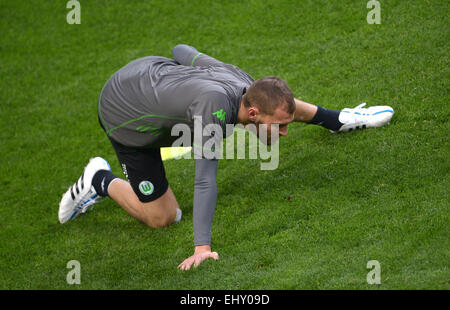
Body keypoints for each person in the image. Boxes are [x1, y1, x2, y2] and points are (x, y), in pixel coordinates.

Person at [58, 44, 394, 270]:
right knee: (164, 217)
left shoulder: (244, 83)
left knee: (250, 114)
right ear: (250, 111)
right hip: (124, 115)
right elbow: (205, 178)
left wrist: (328, 118)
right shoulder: (213, 109)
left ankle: (339, 120)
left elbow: (182, 51)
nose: (285, 134)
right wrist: (202, 248)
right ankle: (98, 180)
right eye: (279, 127)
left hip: (146, 72)